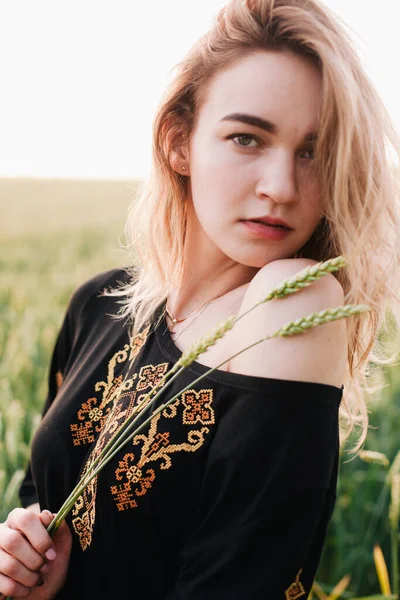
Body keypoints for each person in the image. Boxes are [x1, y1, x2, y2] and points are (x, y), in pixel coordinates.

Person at [1, 0, 400, 597]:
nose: (282, 187)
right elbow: (45, 495)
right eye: (247, 138)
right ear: (178, 142)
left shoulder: (292, 307)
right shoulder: (99, 303)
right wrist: (29, 555)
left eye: (314, 152)